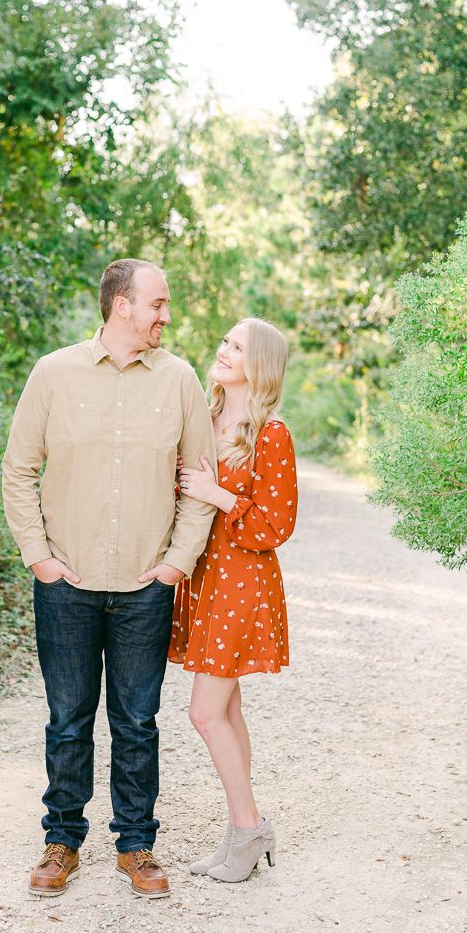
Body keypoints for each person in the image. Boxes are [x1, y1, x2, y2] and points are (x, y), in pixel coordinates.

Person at [1, 259, 217, 899]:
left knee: (137, 720)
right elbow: (18, 470)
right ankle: (61, 840)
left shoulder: (179, 379)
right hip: (65, 581)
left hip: (145, 586)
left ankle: (136, 845)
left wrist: (176, 562)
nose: (166, 316)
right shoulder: (54, 373)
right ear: (122, 305)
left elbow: (200, 483)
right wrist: (39, 556)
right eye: (158, 303)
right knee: (68, 718)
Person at [169, 317, 297, 882]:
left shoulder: (272, 433)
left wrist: (217, 493)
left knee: (204, 712)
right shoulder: (206, 415)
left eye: (237, 347)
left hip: (243, 582)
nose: (223, 350)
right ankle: (243, 830)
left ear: (259, 363)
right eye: (224, 341)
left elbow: (275, 524)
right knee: (228, 708)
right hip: (206, 576)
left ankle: (248, 829)